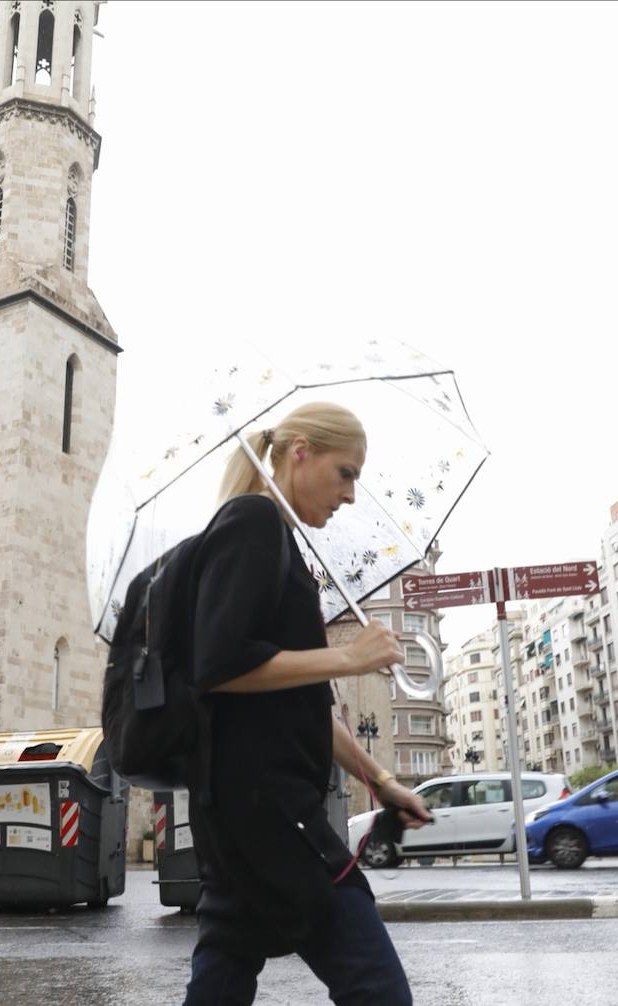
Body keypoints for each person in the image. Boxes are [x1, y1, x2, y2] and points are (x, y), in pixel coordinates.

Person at [183, 401, 433, 1006]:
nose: (350, 495)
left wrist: (380, 779)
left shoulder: (276, 540)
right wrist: (349, 658)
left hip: (242, 810)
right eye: (345, 473)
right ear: (300, 453)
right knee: (376, 988)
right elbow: (218, 667)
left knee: (224, 971)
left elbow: (304, 706)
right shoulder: (253, 523)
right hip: (271, 814)